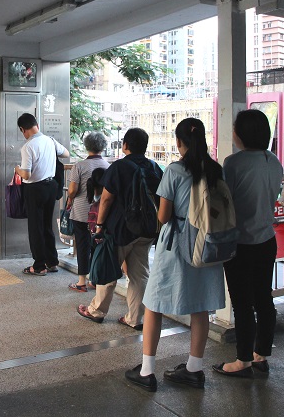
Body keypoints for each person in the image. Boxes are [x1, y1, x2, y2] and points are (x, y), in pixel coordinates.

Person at [125, 118, 225, 392]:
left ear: (179, 142)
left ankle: (146, 371)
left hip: (178, 242)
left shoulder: (175, 170)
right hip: (207, 243)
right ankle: (194, 368)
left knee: (154, 302)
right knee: (200, 305)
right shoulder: (216, 169)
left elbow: (164, 215)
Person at [213, 109, 282, 379]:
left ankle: (242, 360)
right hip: (267, 239)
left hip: (240, 242)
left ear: (242, 133)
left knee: (242, 303)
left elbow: (222, 201)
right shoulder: (273, 161)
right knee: (264, 298)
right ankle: (261, 355)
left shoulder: (233, 163)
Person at [77, 127, 162, 328]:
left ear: (125, 145)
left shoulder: (119, 167)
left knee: (109, 267)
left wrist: (99, 225)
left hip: (120, 229)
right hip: (147, 229)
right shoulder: (154, 167)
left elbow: (106, 199)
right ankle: (134, 318)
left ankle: (96, 311)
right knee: (139, 274)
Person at [14, 113, 69, 276]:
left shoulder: (27, 147)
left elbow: (26, 175)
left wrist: (17, 169)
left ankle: (39, 266)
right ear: (36, 125)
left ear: (23, 129)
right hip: (51, 187)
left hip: (35, 189)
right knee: (47, 225)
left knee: (35, 228)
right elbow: (65, 153)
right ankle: (52, 262)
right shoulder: (50, 140)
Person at [66, 132, 110, 292]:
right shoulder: (108, 166)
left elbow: (72, 190)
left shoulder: (79, 166)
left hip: (81, 212)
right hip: (100, 214)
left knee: (83, 245)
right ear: (103, 147)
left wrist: (71, 198)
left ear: (86, 146)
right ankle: (95, 280)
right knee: (97, 246)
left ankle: (81, 282)